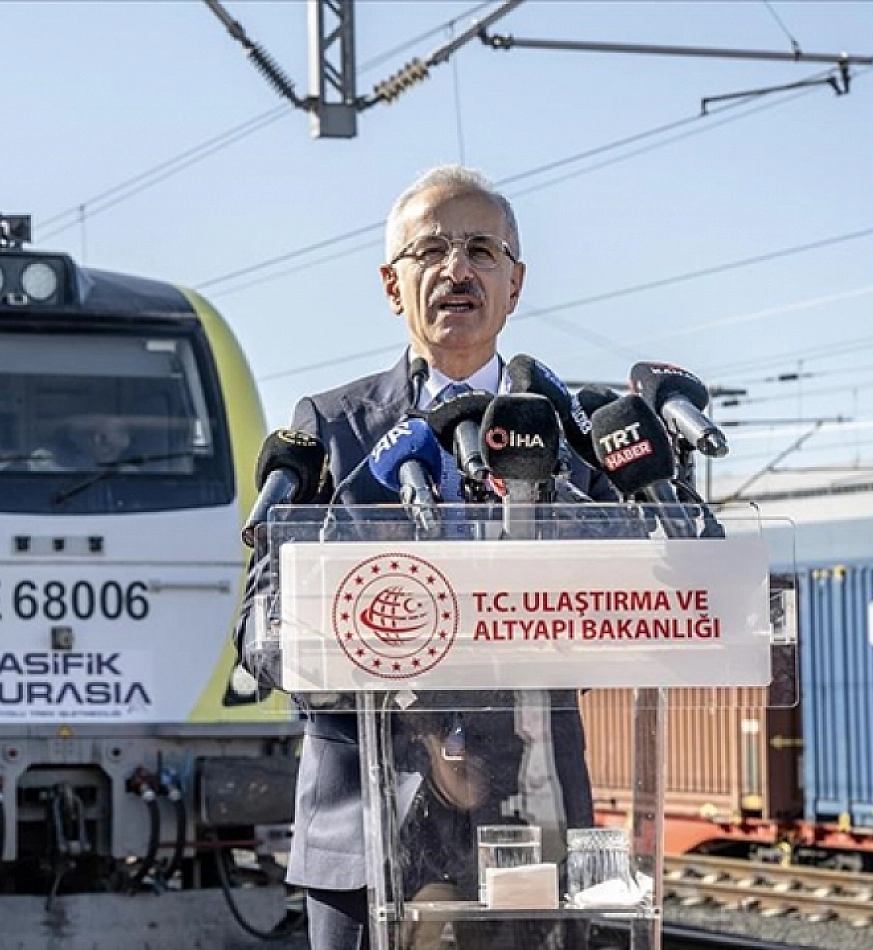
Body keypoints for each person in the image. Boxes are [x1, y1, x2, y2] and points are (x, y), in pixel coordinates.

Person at [240, 165, 608, 950]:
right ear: (390, 283)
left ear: (515, 282)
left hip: (534, 824)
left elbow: (638, 603)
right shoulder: (330, 429)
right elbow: (259, 637)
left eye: (482, 249)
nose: (456, 269)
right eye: (431, 250)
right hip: (367, 836)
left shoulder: (575, 431)